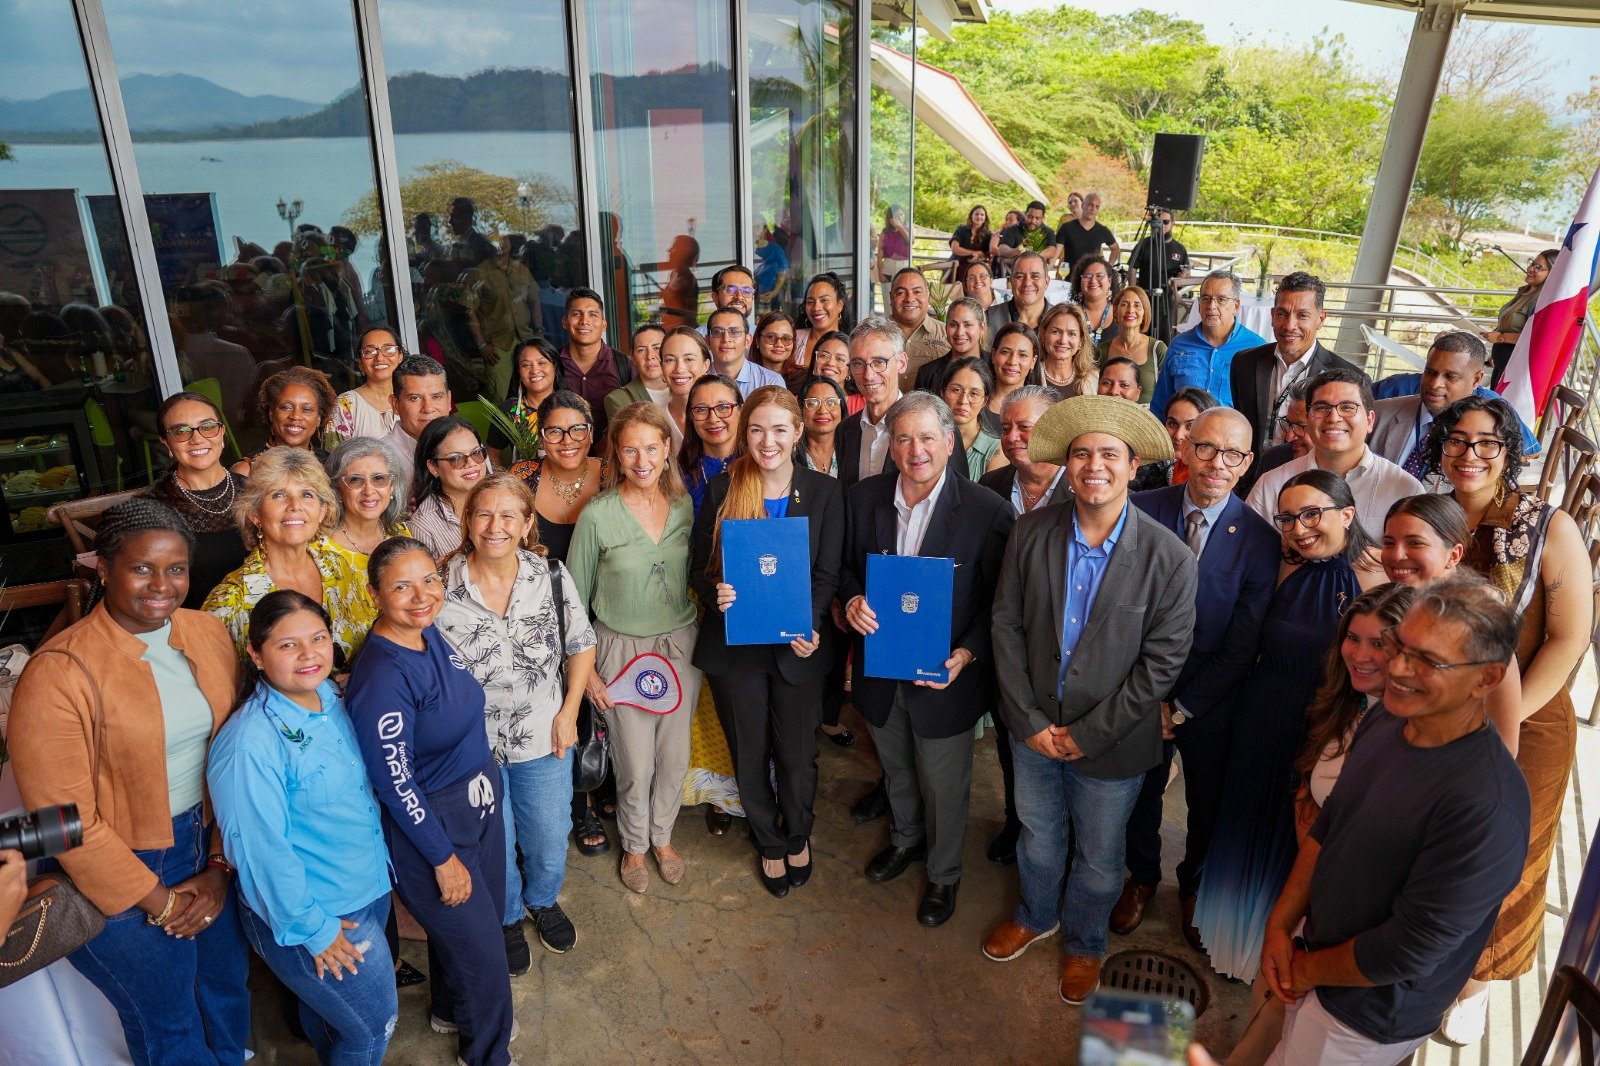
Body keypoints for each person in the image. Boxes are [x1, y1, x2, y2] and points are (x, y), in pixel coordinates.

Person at [9, 498, 251, 1065]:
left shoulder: (207, 632)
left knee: (225, 994)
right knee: (169, 1024)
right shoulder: (59, 672)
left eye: (176, 568)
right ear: (103, 567)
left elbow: (233, 759)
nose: (161, 585)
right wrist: (159, 902)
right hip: (120, 862)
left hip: (208, 843)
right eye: (141, 568)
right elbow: (58, 825)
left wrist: (218, 866)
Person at [1257, 577, 1530, 1065]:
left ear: (1487, 679)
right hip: (1314, 962)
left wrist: (1306, 971)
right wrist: (1281, 925)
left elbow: (1404, 951)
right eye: (1400, 647)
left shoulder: (1487, 806)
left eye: (1427, 660)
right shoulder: (1389, 718)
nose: (1397, 668)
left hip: (1365, 1017)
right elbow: (1330, 826)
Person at [985, 394, 1196, 1004]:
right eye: (1081, 454)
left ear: (1134, 467)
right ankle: (1035, 912)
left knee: (1102, 857)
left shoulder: (1169, 558)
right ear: (1066, 465)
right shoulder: (1030, 532)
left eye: (1110, 454)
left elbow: (1161, 666)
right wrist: (1026, 719)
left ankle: (1084, 944)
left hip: (1111, 743)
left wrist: (1087, 733)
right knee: (1037, 833)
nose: (1094, 465)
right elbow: (1005, 626)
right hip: (1033, 731)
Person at [1427, 394, 1592, 1044]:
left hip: (1524, 723)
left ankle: (1478, 982)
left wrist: (1500, 724)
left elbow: (1569, 639)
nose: (1470, 455)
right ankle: (1429, 959)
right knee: (1436, 848)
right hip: (1435, 713)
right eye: (1457, 440)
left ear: (1509, 451)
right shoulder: (1431, 514)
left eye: (1486, 443)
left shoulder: (1545, 528)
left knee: (1508, 861)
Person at [1193, 469, 1385, 982]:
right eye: (1288, 517)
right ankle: (1228, 937)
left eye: (1311, 513)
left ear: (1346, 514)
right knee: (1243, 818)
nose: (1299, 527)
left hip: (1325, 722)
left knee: (1295, 832)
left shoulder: (1374, 577)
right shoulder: (1281, 563)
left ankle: (1272, 946)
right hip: (1261, 710)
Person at [840, 392, 1015, 927]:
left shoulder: (987, 511)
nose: (916, 450)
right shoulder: (862, 499)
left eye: (927, 438)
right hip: (880, 668)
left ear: (949, 441)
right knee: (895, 768)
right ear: (890, 447)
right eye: (904, 438)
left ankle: (943, 875)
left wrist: (968, 653)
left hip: (946, 677)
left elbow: (1000, 602)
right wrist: (849, 600)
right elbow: (845, 570)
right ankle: (905, 840)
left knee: (944, 784)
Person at [1226, 582, 1417, 1066]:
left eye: (1380, 642)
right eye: (1354, 638)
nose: (1361, 654)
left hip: (1349, 927)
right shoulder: (1345, 703)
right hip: (1308, 896)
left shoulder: (1407, 732)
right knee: (1268, 1009)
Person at [208, 590, 397, 1065]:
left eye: (318, 638)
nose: (309, 653)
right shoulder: (249, 743)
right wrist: (315, 930)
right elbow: (258, 852)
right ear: (255, 653)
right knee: (372, 1027)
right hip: (319, 913)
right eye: (288, 645)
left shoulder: (331, 698)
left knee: (335, 1019)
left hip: (367, 885)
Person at [345, 538, 515, 1066]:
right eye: (401, 586)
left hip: (479, 804)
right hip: (435, 826)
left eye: (429, 581)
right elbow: (396, 785)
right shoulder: (381, 677)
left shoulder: (427, 634)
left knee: (465, 942)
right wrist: (442, 859)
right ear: (374, 594)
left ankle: (450, 1011)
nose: (421, 596)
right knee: (487, 957)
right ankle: (488, 1056)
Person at [1116, 408, 1279, 951]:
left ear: (1247, 464)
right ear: (1183, 447)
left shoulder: (1260, 539)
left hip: (1209, 696)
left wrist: (1182, 704)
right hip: (1136, 685)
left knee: (1207, 800)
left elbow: (1243, 642)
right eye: (1206, 448)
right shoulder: (1139, 509)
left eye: (1232, 454)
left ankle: (1193, 887)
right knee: (1139, 792)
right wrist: (1146, 694)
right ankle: (1140, 877)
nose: (1216, 463)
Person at [438, 474, 597, 972]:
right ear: (468, 520)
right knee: (493, 839)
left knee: (550, 831)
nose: (495, 526)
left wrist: (570, 710)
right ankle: (506, 917)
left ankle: (543, 900)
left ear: (528, 522)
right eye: (483, 513)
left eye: (509, 515)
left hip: (544, 732)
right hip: (470, 744)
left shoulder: (548, 575)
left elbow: (581, 643)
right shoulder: (441, 582)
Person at [690, 387, 844, 897]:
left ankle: (798, 832)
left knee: (798, 754)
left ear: (798, 432)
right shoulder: (720, 490)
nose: (767, 440)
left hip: (798, 647)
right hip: (735, 651)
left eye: (780, 429)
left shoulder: (823, 492)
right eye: (757, 429)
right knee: (749, 750)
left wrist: (812, 622)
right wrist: (719, 592)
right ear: (743, 432)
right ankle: (769, 840)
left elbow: (826, 573)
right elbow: (698, 569)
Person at [567, 404, 705, 893]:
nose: (642, 459)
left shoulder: (685, 506)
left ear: (668, 449)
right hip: (619, 650)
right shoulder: (597, 516)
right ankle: (635, 846)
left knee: (673, 757)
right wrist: (589, 678)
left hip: (679, 644)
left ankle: (664, 837)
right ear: (616, 455)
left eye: (652, 447)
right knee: (635, 760)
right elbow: (573, 604)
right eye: (630, 449)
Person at [975, 384, 1069, 865]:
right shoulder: (988, 491)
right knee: (1011, 740)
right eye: (1006, 426)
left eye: (1025, 427)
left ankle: (1063, 839)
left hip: (1063, 648)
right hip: (1002, 642)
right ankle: (1017, 821)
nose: (1012, 437)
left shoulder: (1086, 487)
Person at [204, 446, 377, 665]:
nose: (295, 506)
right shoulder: (229, 601)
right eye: (278, 495)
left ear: (322, 510)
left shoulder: (340, 568)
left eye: (306, 494)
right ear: (255, 513)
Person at [1247, 368, 1422, 538]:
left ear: (1370, 421)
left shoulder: (1405, 490)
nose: (1333, 417)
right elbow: (1247, 554)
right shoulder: (1271, 485)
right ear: (1308, 419)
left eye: (1347, 407)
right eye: (1321, 408)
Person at [1230, 272, 1357, 465]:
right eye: (1282, 313)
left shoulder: (1349, 380)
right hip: (1252, 479)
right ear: (1272, 316)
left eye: (1302, 315)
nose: (1289, 325)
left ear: (1321, 319)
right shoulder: (1244, 363)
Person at [141, 390, 248, 609]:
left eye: (208, 426)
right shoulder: (151, 509)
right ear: (166, 442)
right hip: (194, 629)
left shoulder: (254, 491)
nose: (197, 439)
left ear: (222, 432)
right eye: (181, 431)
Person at [1368, 331, 1487, 481]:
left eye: (1450, 377)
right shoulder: (1378, 414)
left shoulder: (1488, 436)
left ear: (1476, 380)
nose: (1435, 384)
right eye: (1430, 372)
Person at [1150, 271, 1266, 419]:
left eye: (1221, 299)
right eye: (1206, 298)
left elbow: (1261, 410)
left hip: (1229, 438)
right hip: (1183, 436)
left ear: (1236, 305)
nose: (1211, 306)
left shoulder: (1256, 348)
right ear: (1199, 305)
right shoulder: (1179, 345)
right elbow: (1161, 404)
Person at [467, 235, 540, 403]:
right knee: (501, 397)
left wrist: (539, 331)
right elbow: (469, 311)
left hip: (525, 339)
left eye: (504, 238)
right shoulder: (480, 273)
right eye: (496, 238)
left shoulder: (521, 269)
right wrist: (481, 344)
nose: (501, 242)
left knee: (534, 389)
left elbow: (534, 299)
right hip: (497, 345)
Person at [836, 316, 908, 487]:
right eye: (858, 363)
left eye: (879, 362)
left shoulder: (929, 428)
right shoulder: (845, 431)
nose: (868, 375)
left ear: (902, 363)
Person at [407, 416, 491, 559]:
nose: (471, 463)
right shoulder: (423, 525)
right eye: (456, 458)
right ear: (433, 467)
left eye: (476, 453)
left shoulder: (503, 497)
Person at [324, 436, 411, 572]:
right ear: (337, 489)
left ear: (392, 486)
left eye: (378, 478)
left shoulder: (401, 533)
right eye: (355, 480)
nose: (369, 490)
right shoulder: (321, 549)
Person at [234, 365, 336, 477]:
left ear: (318, 419)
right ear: (271, 414)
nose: (295, 416)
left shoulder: (332, 467)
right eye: (286, 407)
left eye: (306, 409)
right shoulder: (247, 471)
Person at [557, 288, 629, 441]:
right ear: (565, 322)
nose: (584, 321)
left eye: (593, 314)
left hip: (611, 457)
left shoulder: (623, 364)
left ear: (604, 324)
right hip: (564, 454)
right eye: (576, 314)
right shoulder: (551, 364)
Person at [1485, 248, 1559, 388]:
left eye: (1538, 267)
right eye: (1532, 263)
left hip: (1515, 370)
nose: (1531, 269)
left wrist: (1500, 337)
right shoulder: (1525, 291)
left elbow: (1535, 336)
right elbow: (1509, 323)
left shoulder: (1542, 299)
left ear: (1552, 274)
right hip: (1502, 364)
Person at [488, 339, 562, 465]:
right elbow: (492, 456)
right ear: (518, 371)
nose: (534, 370)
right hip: (524, 483)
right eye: (526, 365)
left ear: (554, 366)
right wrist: (506, 484)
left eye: (542, 363)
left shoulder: (573, 405)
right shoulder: (507, 411)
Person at [384, 354, 452, 487]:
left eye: (437, 396)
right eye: (415, 398)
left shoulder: (469, 450)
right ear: (395, 404)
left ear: (449, 400)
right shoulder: (379, 458)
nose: (428, 408)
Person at [679, 374, 743, 514]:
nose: (713, 419)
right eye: (701, 410)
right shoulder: (679, 475)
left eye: (723, 407)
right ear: (691, 416)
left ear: (741, 410)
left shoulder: (760, 465)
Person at [1094, 285, 1166, 405]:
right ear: (1116, 312)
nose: (1130, 310)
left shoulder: (1158, 349)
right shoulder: (1101, 350)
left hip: (1147, 420)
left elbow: (1167, 392)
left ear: (1144, 312)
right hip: (1108, 417)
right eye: (1124, 304)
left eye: (1137, 305)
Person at [333, 326, 403, 441]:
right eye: (369, 351)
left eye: (388, 349)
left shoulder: (414, 398)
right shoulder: (345, 404)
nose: (379, 357)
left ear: (400, 356)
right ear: (360, 361)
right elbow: (335, 457)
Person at [888, 268, 949, 393]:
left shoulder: (948, 335)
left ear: (928, 295)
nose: (910, 298)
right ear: (891, 297)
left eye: (917, 291)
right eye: (901, 293)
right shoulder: (875, 335)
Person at [940, 357, 1002, 478]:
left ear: (985, 401)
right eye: (956, 390)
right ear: (943, 392)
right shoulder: (925, 438)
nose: (963, 400)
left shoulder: (995, 450)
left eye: (974, 393)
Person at [913, 296, 988, 394]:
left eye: (967, 325)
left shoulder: (996, 366)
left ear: (982, 328)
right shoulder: (927, 373)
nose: (960, 333)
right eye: (953, 325)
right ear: (946, 328)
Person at [706, 306, 784, 398]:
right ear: (707, 341)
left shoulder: (770, 382)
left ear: (747, 341)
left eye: (734, 332)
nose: (726, 339)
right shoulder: (697, 378)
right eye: (718, 332)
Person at [660, 326, 713, 449]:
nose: (679, 368)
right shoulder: (653, 419)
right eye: (670, 360)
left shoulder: (725, 415)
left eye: (689, 359)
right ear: (661, 367)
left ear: (706, 365)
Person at [604, 323, 669, 422]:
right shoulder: (618, 400)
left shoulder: (686, 388)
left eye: (657, 348)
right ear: (633, 359)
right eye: (641, 350)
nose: (649, 356)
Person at [1036, 302, 1097, 397]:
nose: (1063, 340)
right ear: (1043, 334)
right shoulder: (1029, 375)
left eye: (1072, 334)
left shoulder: (1093, 379)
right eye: (1055, 332)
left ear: (1081, 340)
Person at [986, 251, 1052, 335]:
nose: (1027, 283)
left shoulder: (1059, 319)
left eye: (1035, 276)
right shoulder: (988, 318)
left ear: (1046, 282)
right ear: (1011, 281)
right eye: (1020, 276)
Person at [987, 322, 1040, 424]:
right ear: (993, 354)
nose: (1012, 361)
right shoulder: (974, 399)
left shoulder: (1040, 408)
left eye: (1022, 355)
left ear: (1033, 361)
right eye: (1005, 352)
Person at [794, 272, 849, 370]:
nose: (816, 308)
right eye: (810, 302)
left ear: (840, 305)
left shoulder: (851, 346)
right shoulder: (794, 339)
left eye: (824, 300)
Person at [1127, 209, 1188, 294]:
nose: (1161, 225)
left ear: (1172, 223)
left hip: (1168, 300)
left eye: (1165, 222)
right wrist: (1133, 293)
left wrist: (1182, 276)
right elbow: (1132, 270)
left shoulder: (1180, 248)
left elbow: (1187, 274)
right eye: (1158, 222)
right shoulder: (1143, 244)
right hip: (1146, 297)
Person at [1056, 191, 1120, 269]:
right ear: (1083, 205)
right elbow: (1056, 252)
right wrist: (1046, 272)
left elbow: (1115, 248)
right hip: (1070, 276)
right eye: (1090, 205)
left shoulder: (1102, 230)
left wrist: (1108, 269)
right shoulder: (1066, 226)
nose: (1093, 209)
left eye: (1097, 207)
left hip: (1092, 278)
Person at [800, 375, 848, 478]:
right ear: (801, 409)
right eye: (813, 403)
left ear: (842, 409)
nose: (822, 411)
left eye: (831, 403)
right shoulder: (790, 453)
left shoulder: (853, 450)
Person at [993, 200, 1060, 273]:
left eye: (1037, 218)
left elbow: (1052, 251)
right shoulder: (1012, 229)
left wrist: (1032, 255)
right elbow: (1001, 250)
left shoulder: (1048, 231)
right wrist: (1016, 251)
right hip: (1014, 274)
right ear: (1025, 214)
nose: (1033, 221)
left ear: (1042, 218)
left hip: (1038, 274)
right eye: (1030, 217)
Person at [809, 329, 864, 416]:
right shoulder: (796, 402)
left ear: (850, 370)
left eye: (840, 359)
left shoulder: (865, 404)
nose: (830, 363)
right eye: (823, 356)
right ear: (814, 362)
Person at [1070, 255, 1117, 347]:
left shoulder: (1120, 313)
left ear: (1109, 281)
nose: (1093, 281)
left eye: (1099, 276)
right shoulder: (1070, 313)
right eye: (1087, 276)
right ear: (1080, 282)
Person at [751, 310, 804, 388]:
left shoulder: (804, 378)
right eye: (771, 337)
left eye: (786, 338)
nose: (779, 344)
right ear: (757, 341)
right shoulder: (746, 377)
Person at [948, 205, 992, 292]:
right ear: (971, 216)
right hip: (956, 265)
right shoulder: (962, 229)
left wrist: (979, 255)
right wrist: (974, 253)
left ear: (985, 218)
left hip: (974, 268)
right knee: (952, 293)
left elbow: (987, 254)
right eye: (976, 214)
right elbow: (955, 248)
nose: (979, 216)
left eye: (982, 215)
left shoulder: (988, 234)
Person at [877, 205, 911, 311]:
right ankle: (888, 325)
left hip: (904, 266)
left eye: (901, 214)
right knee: (888, 300)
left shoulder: (908, 229)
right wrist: (879, 273)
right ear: (891, 219)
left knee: (902, 298)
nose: (900, 217)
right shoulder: (885, 233)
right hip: (888, 266)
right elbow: (880, 254)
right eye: (897, 215)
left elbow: (911, 241)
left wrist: (900, 227)